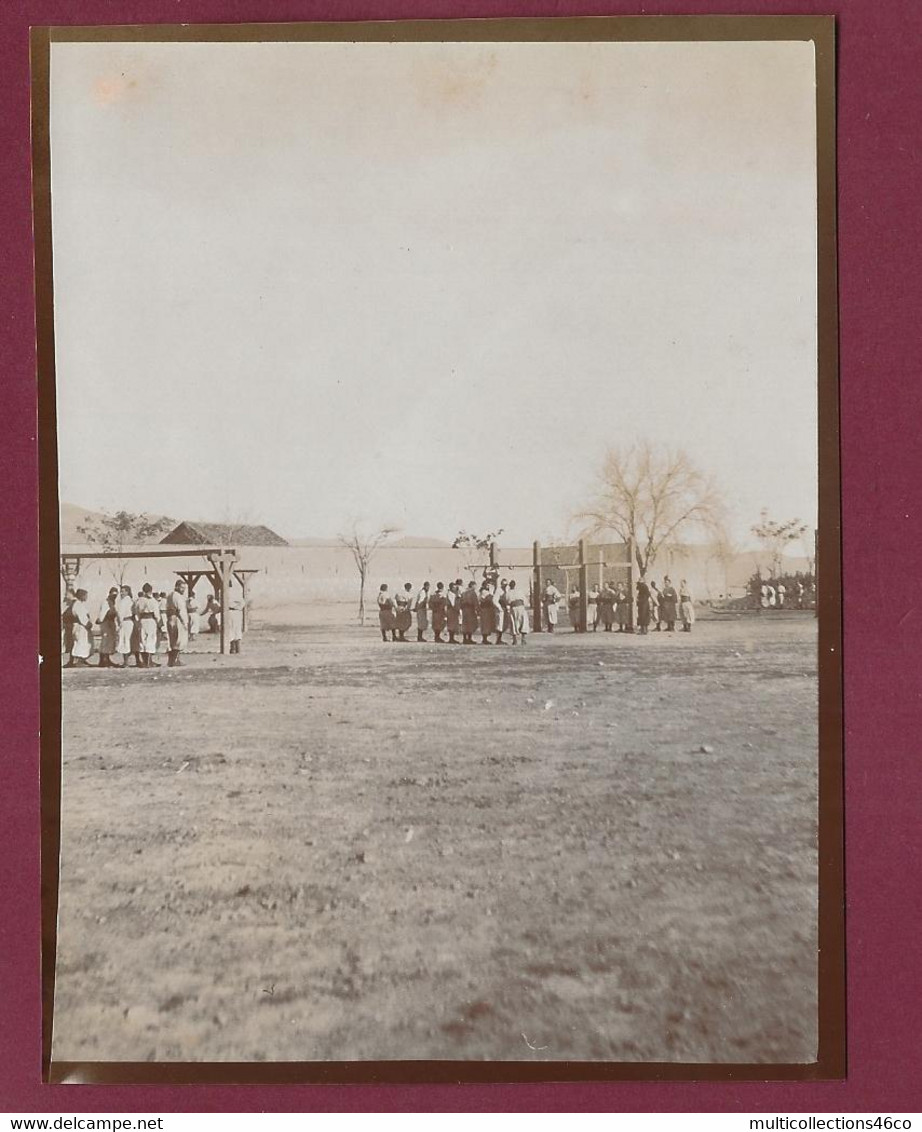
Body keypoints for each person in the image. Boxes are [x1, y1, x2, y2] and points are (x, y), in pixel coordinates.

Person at [135, 583, 161, 667]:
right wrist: (159, 622)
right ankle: (149, 661)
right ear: (151, 590)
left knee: (142, 640)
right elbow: (157, 614)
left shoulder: (139, 600)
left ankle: (145, 661)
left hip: (142, 620)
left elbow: (136, 611)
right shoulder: (153, 601)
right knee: (150, 639)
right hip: (150, 620)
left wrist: (138, 620)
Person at [65, 588, 93, 667]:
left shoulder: (80, 604)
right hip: (80, 627)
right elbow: (82, 617)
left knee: (82, 643)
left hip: (81, 626)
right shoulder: (78, 605)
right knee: (80, 643)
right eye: (85, 595)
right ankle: (78, 661)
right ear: (81, 596)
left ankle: (81, 660)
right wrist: (88, 624)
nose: (86, 597)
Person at [166, 579, 190, 666]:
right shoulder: (178, 597)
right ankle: (175, 660)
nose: (183, 590)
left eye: (184, 588)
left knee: (172, 640)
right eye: (182, 588)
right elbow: (181, 610)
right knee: (179, 639)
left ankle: (171, 661)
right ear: (176, 587)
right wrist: (185, 622)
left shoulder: (170, 595)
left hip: (170, 618)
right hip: (177, 618)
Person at [96, 587, 120, 666]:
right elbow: (103, 612)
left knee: (110, 641)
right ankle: (103, 660)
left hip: (111, 623)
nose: (114, 597)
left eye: (116, 595)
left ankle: (107, 658)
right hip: (106, 623)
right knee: (105, 641)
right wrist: (100, 620)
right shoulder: (106, 602)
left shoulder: (113, 603)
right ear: (109, 594)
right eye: (113, 595)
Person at [116, 585, 138, 667]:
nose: (121, 593)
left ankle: (126, 662)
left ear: (127, 592)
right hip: (131, 622)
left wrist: (119, 624)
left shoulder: (124, 601)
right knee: (129, 640)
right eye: (121, 591)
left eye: (123, 591)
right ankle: (132, 660)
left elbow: (120, 614)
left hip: (125, 622)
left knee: (125, 640)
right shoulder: (131, 601)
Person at [507, 579, 529, 645]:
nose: (512, 585)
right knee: (514, 622)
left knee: (523, 622)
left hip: (521, 607)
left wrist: (524, 605)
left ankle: (523, 639)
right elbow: (508, 601)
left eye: (513, 584)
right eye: (511, 584)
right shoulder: (508, 593)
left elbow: (524, 600)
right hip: (514, 608)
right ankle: (515, 639)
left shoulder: (519, 591)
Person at [226, 581, 244, 654]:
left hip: (231, 611)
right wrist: (238, 607)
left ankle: (233, 649)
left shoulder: (227, 592)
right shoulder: (235, 592)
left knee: (231, 629)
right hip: (236, 612)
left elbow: (242, 602)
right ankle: (236, 649)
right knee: (236, 629)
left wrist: (235, 607)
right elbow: (243, 602)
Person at [61, 586, 76, 662]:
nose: (66, 596)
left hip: (71, 626)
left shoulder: (73, 604)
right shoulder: (69, 604)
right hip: (68, 626)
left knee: (72, 643)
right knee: (70, 643)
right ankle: (71, 660)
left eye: (67, 594)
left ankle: (72, 660)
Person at [496, 578, 511, 644]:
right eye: (504, 584)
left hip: (504, 609)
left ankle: (500, 639)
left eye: (506, 584)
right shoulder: (498, 590)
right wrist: (499, 608)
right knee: (499, 624)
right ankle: (498, 640)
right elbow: (495, 600)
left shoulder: (506, 591)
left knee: (504, 624)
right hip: (500, 609)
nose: (505, 586)